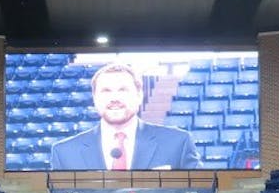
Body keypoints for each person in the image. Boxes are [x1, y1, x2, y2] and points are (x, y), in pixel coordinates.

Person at [50, 63, 201, 171]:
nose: (114, 98)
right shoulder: (64, 152)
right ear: (94, 98)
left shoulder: (178, 143)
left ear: (139, 95)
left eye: (122, 90)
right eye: (106, 91)